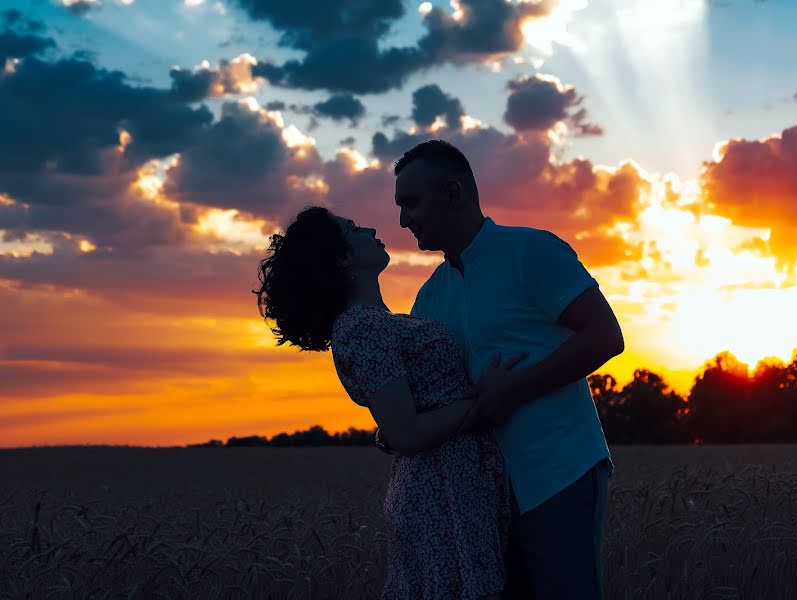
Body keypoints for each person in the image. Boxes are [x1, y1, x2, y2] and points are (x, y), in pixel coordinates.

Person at [392, 139, 624, 599]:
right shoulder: (427, 298)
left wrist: (514, 390)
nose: (403, 220)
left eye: (411, 203)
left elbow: (605, 336)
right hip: (476, 498)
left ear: (454, 193)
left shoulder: (531, 251)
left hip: (559, 471)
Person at [253, 205, 516, 600]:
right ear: (341, 258)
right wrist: (486, 400)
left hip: (455, 482)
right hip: (439, 490)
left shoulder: (383, 320)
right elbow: (405, 433)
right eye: (354, 229)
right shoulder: (361, 328)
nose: (372, 228)